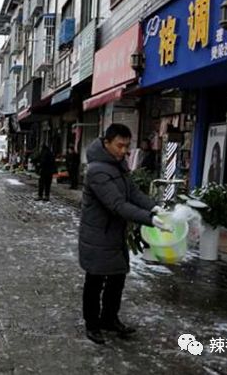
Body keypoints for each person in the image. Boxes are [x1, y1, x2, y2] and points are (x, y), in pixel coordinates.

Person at [79, 123, 170, 345]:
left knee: (117, 278)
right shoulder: (97, 170)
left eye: (127, 146)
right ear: (106, 142)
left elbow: (133, 193)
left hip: (115, 234)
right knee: (96, 281)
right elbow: (117, 204)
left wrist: (153, 207)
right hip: (98, 235)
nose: (123, 151)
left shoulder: (118, 164)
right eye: (119, 146)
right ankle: (92, 324)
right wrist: (150, 220)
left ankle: (109, 318)